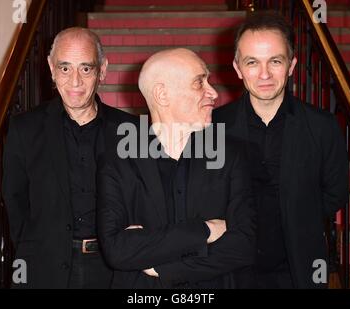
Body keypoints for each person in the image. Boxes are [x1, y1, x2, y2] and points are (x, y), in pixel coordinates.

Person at [96, 48, 256, 288]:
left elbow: (244, 245)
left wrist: (164, 267)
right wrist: (205, 230)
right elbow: (117, 250)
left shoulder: (230, 153)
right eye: (199, 83)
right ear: (162, 94)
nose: (213, 92)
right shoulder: (118, 161)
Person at [213, 11, 349, 288]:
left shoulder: (322, 126)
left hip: (299, 269)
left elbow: (334, 195)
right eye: (252, 62)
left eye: (275, 61)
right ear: (238, 68)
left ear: (291, 65)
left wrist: (298, 216)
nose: (264, 74)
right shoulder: (212, 126)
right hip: (231, 269)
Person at [2, 27, 138, 288]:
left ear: (103, 70)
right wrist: (35, 250)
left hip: (112, 271)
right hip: (44, 268)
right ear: (51, 69)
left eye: (85, 69)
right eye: (65, 68)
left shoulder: (130, 131)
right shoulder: (24, 129)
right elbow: (15, 199)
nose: (75, 81)